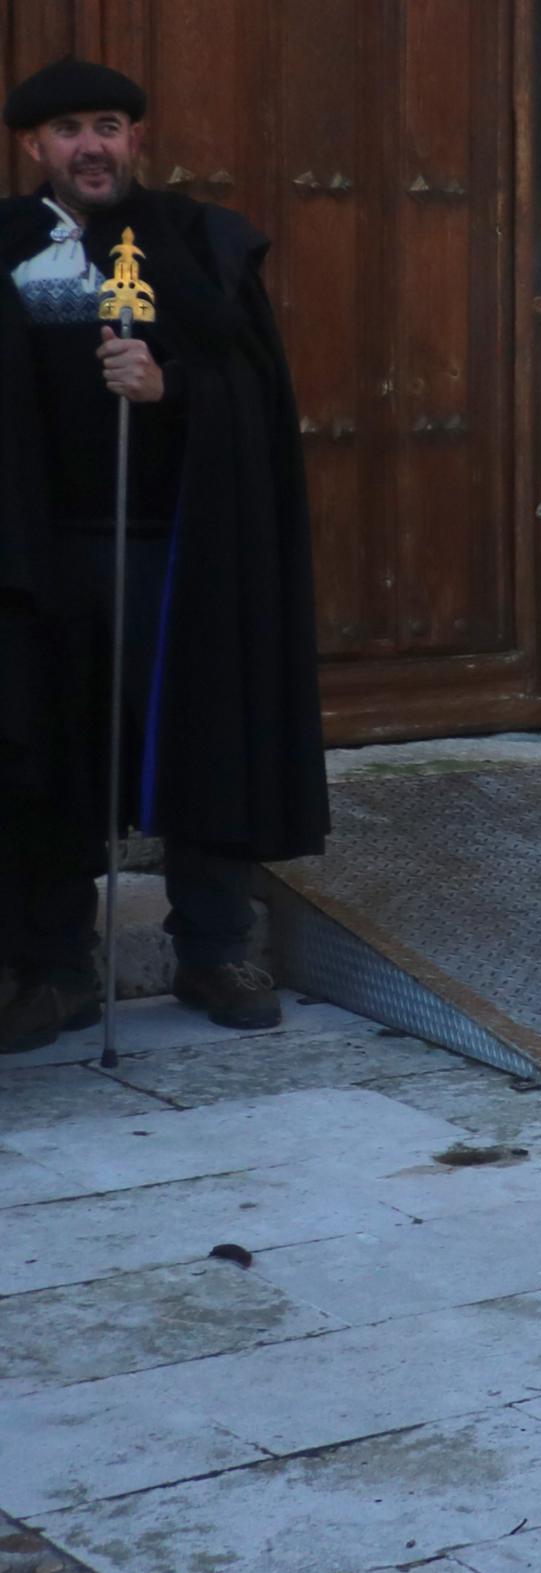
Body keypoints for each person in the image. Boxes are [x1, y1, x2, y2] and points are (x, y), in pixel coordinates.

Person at [0, 59, 324, 1050]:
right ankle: (55, 963)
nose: (92, 145)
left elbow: (254, 390)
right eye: (68, 131)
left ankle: (214, 946)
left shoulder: (198, 243)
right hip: (40, 560)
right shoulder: (4, 248)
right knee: (46, 750)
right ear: (33, 149)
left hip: (177, 556)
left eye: (109, 125)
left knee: (204, 736)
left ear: (138, 139)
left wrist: (169, 385)